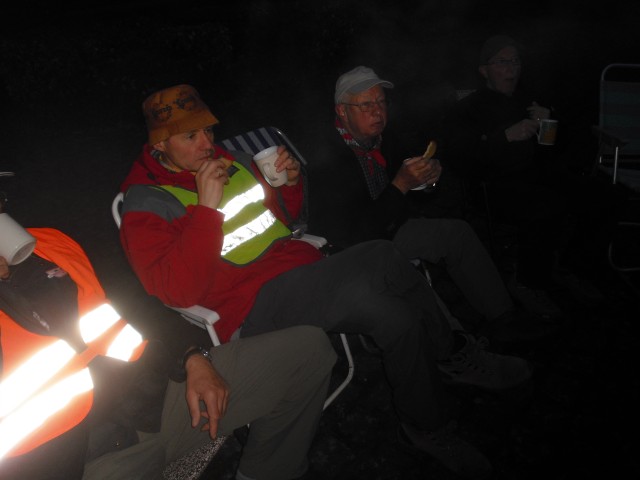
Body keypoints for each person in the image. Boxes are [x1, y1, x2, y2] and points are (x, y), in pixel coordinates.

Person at [118, 83, 538, 478]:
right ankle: (455, 353)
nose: (207, 143)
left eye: (209, 130)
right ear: (160, 145)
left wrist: (290, 184)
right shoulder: (146, 202)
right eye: (190, 136)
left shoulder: (233, 161)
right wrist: (207, 212)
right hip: (252, 307)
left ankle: (426, 427)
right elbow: (178, 292)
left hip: (305, 275)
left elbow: (287, 222)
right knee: (381, 255)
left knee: (396, 317)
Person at [0, 206, 337, 480]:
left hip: (161, 397)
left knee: (308, 351)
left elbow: (137, 304)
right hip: (83, 462)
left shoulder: (51, 244)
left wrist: (192, 356)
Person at [307, 65, 556, 343]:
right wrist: (401, 185)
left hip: (391, 227)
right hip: (356, 248)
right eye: (366, 104)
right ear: (342, 111)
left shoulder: (385, 138)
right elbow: (352, 232)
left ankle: (504, 317)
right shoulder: (326, 157)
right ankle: (454, 347)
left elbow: (413, 195)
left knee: (456, 233)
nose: (377, 112)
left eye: (381, 102)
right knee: (403, 272)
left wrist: (427, 181)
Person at [440, 35, 616, 308]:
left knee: (602, 194)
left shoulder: (529, 100)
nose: (511, 68)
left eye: (515, 61)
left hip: (538, 174)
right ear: (484, 71)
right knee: (546, 205)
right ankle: (527, 282)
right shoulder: (469, 108)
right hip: (493, 185)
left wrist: (551, 124)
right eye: (502, 62)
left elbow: (558, 151)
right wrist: (504, 137)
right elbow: (461, 158)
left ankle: (573, 266)